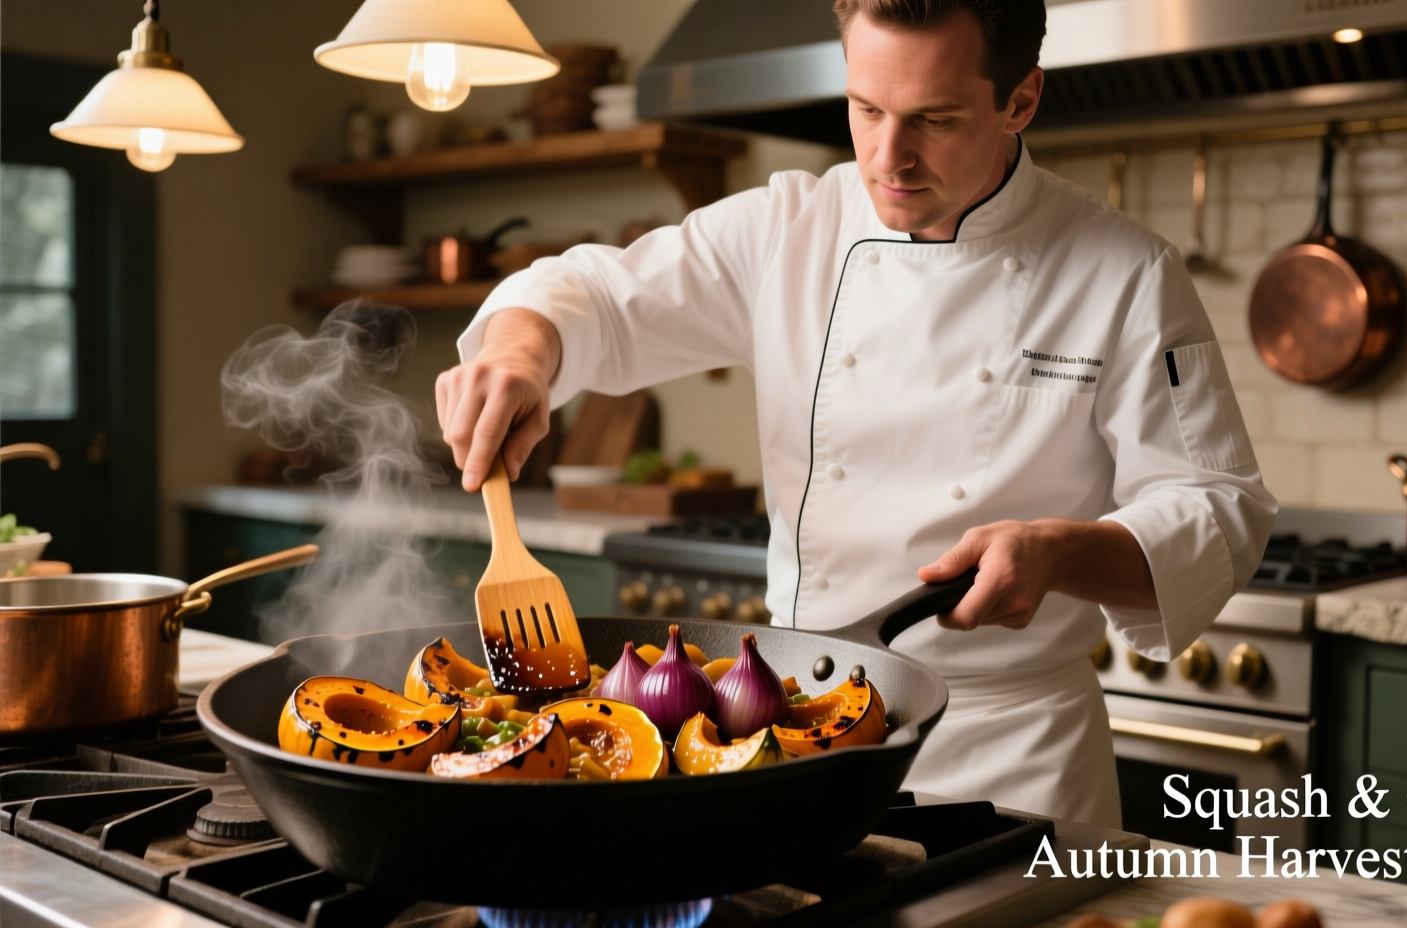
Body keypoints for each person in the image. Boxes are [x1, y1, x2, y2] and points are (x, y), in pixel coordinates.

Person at [436, 0, 1275, 827]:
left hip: (1011, 758)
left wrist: (1062, 552)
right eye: (865, 108)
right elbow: (594, 294)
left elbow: (1219, 509)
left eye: (934, 119)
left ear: (1019, 100)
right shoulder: (790, 230)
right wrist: (519, 353)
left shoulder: (1126, 273)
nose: (889, 156)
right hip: (796, 738)